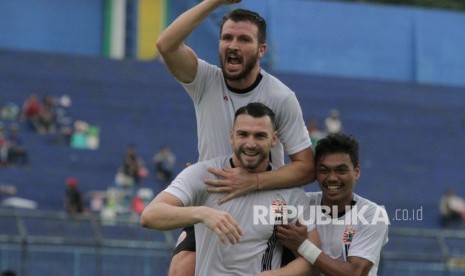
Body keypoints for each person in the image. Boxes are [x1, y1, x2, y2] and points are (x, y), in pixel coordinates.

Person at [156, 1, 315, 274]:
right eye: (227, 37)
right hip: (213, 198)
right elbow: (166, 45)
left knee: (307, 265)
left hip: (265, 205)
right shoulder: (205, 80)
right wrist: (214, 2)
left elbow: (306, 166)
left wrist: (252, 181)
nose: (233, 45)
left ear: (261, 50)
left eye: (244, 39)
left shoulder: (281, 97)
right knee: (182, 267)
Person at [141, 103, 319, 275]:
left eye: (260, 136)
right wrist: (202, 214)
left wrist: (279, 275)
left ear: (273, 139)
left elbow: (316, 258)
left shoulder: (291, 193)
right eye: (243, 134)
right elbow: (150, 215)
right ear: (231, 136)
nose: (250, 143)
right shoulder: (204, 174)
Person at [264, 134, 389, 276]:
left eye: (341, 170)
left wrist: (303, 246)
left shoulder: (372, 215)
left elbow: (356, 273)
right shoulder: (302, 204)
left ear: (356, 172)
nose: (332, 178)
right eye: (324, 170)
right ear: (316, 173)